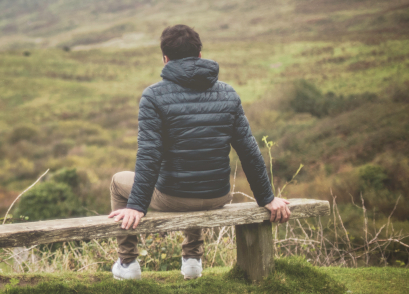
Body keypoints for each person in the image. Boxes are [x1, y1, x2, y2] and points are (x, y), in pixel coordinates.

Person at [107, 25, 292, 280]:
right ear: (200, 55)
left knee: (119, 181)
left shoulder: (153, 96)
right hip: (218, 195)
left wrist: (137, 205)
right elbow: (249, 150)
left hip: (173, 197)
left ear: (165, 59)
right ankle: (192, 260)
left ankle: (127, 264)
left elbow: (150, 155)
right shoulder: (228, 93)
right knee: (196, 168)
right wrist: (267, 198)